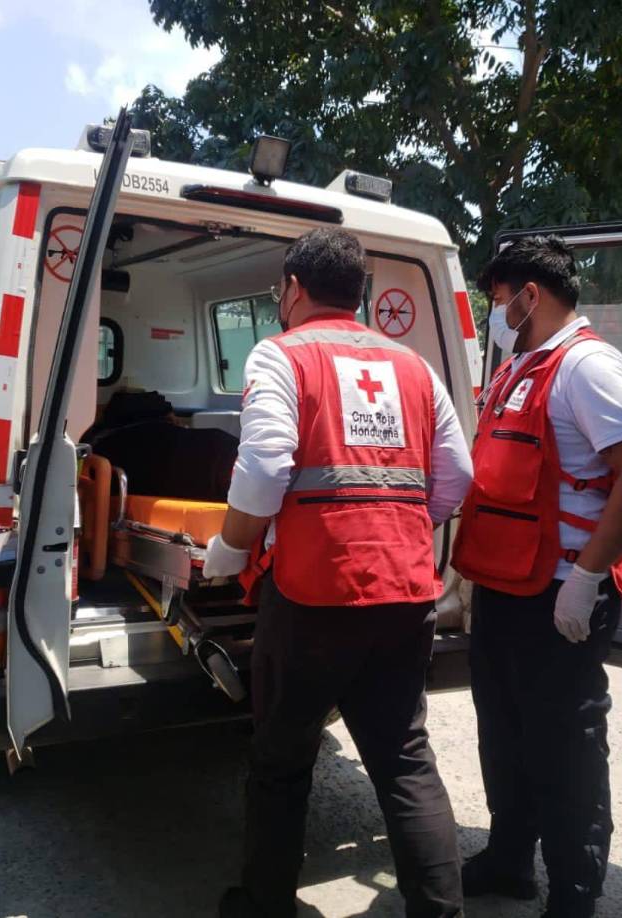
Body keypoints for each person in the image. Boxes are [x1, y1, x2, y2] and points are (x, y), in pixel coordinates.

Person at [203, 227, 474, 918]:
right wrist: (400, 527)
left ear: (293, 289)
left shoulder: (281, 354)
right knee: (405, 760)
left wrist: (231, 547)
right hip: (405, 589)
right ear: (360, 293)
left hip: (313, 595)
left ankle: (265, 906)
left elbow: (265, 467)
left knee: (282, 759)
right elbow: (457, 474)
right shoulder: (414, 367)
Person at [451, 235, 622, 918]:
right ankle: (510, 860)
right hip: (505, 585)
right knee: (504, 734)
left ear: (529, 295)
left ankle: (575, 893)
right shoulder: (521, 366)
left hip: (558, 593)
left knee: (564, 749)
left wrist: (587, 577)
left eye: (497, 301)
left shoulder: (587, 366)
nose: (495, 315)